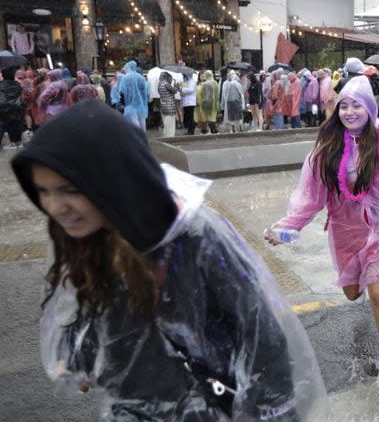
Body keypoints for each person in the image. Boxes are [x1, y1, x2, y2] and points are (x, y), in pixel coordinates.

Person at [10, 100, 328, 420]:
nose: (55, 206)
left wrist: (272, 413)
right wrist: (81, 353)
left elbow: (261, 336)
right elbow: (96, 306)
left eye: (68, 190)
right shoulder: (86, 235)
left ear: (111, 180)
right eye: (44, 191)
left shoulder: (195, 238)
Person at [266, 76, 379, 385]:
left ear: (369, 107)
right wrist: (287, 227)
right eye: (344, 106)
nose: (350, 112)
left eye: (357, 106)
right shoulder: (329, 144)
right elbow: (311, 194)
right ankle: (368, 279)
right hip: (345, 229)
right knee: (353, 294)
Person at [112, 60, 148, 131]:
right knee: (142, 121)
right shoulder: (141, 77)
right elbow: (145, 91)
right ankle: (143, 137)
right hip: (140, 103)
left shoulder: (125, 78)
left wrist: (122, 103)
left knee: (134, 122)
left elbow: (122, 91)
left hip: (130, 104)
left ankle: (137, 138)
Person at [0, 67, 25, 149]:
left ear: (3, 75)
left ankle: (11, 143)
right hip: (16, 106)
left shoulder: (1, 84)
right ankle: (18, 142)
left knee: (6, 125)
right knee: (16, 124)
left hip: (4, 107)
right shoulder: (17, 84)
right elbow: (21, 94)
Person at [195, 70, 220, 134]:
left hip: (208, 103)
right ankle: (213, 130)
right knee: (213, 118)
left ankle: (212, 130)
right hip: (214, 103)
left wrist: (204, 103)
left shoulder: (206, 84)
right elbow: (217, 94)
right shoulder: (215, 82)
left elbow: (206, 95)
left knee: (209, 118)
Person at [157, 71, 178, 138]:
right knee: (171, 122)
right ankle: (170, 135)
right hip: (170, 105)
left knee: (165, 121)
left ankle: (166, 134)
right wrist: (175, 86)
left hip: (163, 104)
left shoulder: (160, 84)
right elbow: (174, 91)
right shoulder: (166, 84)